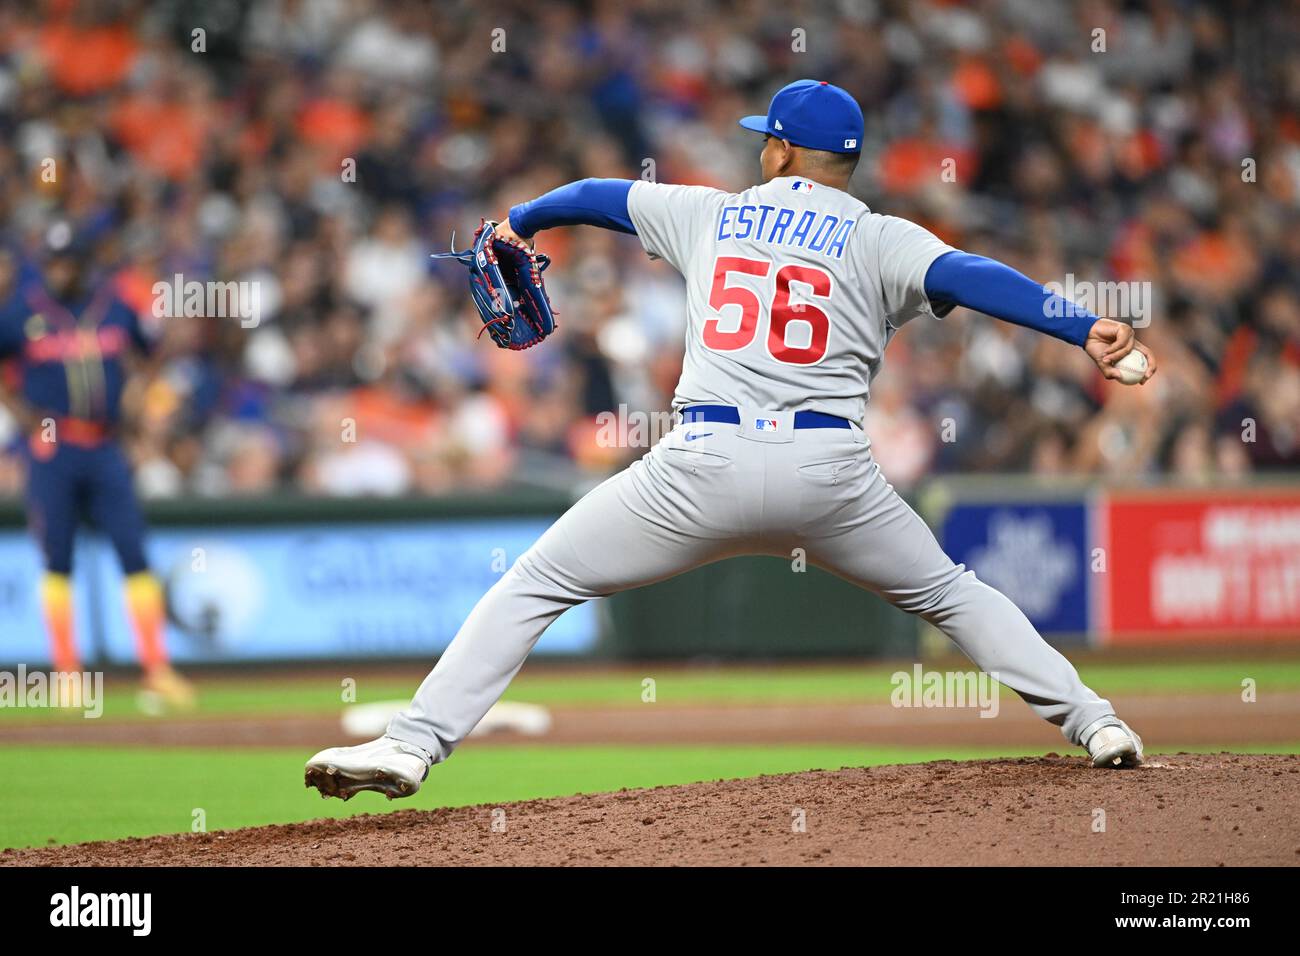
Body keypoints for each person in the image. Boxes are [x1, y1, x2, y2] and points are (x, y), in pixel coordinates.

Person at [306, 80, 1153, 800]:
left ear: (782, 152)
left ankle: (412, 744)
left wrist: (522, 219)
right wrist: (1081, 328)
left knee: (537, 581)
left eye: (766, 141)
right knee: (953, 594)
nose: (760, 151)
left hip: (699, 468)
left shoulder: (712, 214)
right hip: (831, 474)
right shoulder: (884, 236)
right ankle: (1097, 722)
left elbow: (598, 195)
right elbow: (973, 277)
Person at [0, 221, 195, 710]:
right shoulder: (23, 312)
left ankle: (157, 668)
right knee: (56, 560)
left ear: (85, 264)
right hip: (55, 448)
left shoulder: (113, 307)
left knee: (134, 553)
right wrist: (25, 420)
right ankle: (67, 674)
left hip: (106, 446)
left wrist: (135, 393)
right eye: (55, 262)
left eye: (70, 262)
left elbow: (151, 351)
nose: (62, 271)